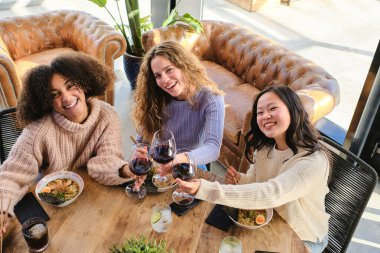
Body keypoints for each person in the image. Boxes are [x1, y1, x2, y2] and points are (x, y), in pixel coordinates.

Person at [0, 52, 142, 236]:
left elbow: (107, 160)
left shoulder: (107, 116)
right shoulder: (38, 131)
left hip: (97, 202)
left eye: (70, 86)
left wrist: (126, 170)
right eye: (55, 95)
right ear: (47, 102)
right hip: (56, 210)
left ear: (83, 83)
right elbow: (11, 175)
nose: (66, 98)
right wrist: (2, 210)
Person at [177, 86, 330, 253]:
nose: (265, 116)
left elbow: (271, 193)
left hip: (303, 238)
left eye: (272, 108)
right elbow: (256, 178)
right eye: (260, 112)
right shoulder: (265, 147)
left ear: (293, 110)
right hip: (269, 222)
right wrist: (241, 179)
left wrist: (204, 188)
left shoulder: (313, 161)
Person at [132, 41, 225, 171]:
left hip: (190, 165)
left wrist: (180, 159)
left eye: (169, 70)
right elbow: (142, 140)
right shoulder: (156, 96)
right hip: (159, 163)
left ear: (184, 66)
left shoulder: (211, 99)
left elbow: (213, 148)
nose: (164, 80)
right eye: (158, 76)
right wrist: (138, 150)